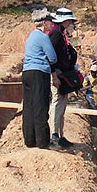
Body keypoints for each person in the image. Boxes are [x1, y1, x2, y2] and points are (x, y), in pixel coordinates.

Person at [22, 8, 60, 149]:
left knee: (29, 106)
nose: (52, 25)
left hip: (27, 72)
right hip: (39, 73)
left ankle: (30, 140)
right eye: (50, 22)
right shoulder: (43, 37)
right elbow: (52, 57)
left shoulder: (31, 36)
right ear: (44, 23)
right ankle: (43, 142)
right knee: (40, 106)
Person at [47, 7, 78, 148]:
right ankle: (54, 135)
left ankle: (60, 134)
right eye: (69, 21)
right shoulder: (55, 34)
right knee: (57, 101)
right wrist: (54, 75)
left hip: (61, 72)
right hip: (57, 73)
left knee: (62, 103)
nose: (71, 23)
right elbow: (49, 56)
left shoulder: (60, 33)